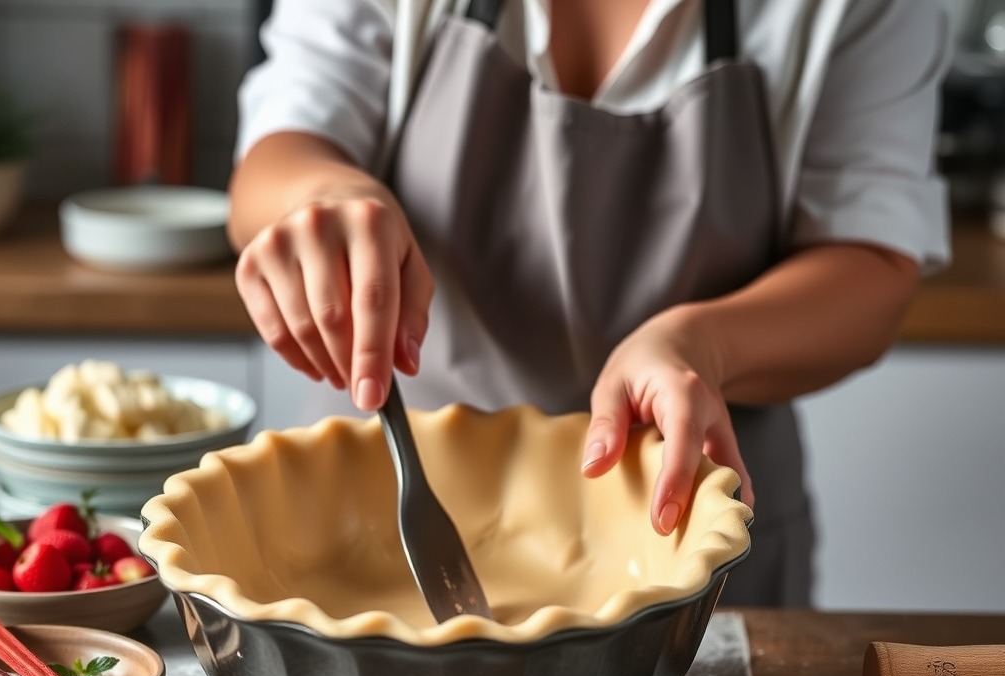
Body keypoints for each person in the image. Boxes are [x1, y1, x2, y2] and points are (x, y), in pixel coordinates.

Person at [227, 0, 951, 607]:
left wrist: (701, 344)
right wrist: (324, 198)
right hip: (367, 510)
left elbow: (872, 266)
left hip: (695, 546)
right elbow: (280, 150)